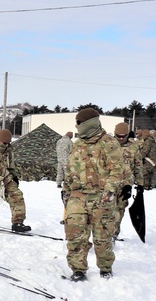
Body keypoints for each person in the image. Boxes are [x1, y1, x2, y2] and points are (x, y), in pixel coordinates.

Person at [61, 107, 123, 281]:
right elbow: (70, 169)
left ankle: (105, 267)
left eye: (79, 123)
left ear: (89, 124)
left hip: (100, 197)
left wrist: (110, 190)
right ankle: (78, 269)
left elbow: (118, 170)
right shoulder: (77, 144)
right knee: (75, 235)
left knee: (102, 236)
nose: (77, 126)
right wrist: (66, 190)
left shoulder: (108, 143)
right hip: (77, 197)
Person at [112, 122, 142, 239]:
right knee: (105, 211)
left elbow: (138, 166)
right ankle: (103, 237)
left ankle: (114, 234)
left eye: (123, 136)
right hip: (108, 184)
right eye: (118, 136)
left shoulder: (133, 147)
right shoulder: (107, 144)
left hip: (126, 185)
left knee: (119, 210)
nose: (120, 138)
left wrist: (140, 185)